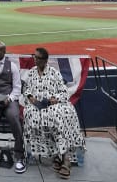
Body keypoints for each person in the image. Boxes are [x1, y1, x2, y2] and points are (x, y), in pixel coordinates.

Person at [23, 47, 85, 180]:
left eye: (38, 58)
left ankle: (66, 158)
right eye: (34, 56)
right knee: (34, 116)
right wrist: (30, 97)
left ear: (45, 60)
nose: (35, 59)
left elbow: (64, 92)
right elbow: (26, 89)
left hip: (52, 104)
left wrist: (55, 99)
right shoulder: (31, 73)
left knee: (59, 117)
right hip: (36, 106)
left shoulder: (54, 73)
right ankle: (58, 155)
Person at [0, 41, 26, 174]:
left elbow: (18, 87)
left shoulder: (12, 66)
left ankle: (19, 155)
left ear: (4, 51)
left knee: (15, 117)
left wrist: (10, 99)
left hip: (9, 100)